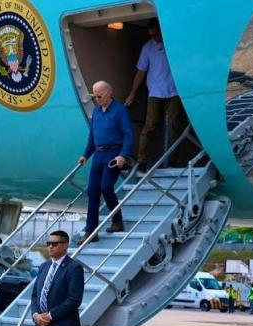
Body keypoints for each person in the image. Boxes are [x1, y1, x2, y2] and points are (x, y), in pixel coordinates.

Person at [78, 81, 134, 245]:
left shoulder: (120, 110)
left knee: (106, 187)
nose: (96, 99)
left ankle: (117, 220)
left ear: (108, 93)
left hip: (114, 153)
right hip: (99, 153)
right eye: (94, 96)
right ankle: (91, 231)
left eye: (99, 95)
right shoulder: (96, 111)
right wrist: (85, 154)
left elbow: (128, 135)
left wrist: (123, 155)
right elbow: (92, 136)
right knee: (93, 191)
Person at [125, 18, 183, 172]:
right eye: (151, 35)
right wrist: (132, 93)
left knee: (173, 126)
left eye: (156, 34)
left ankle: (173, 161)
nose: (155, 37)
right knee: (149, 125)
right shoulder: (147, 48)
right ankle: (143, 161)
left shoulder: (174, 44)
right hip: (155, 92)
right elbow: (140, 72)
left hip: (175, 91)